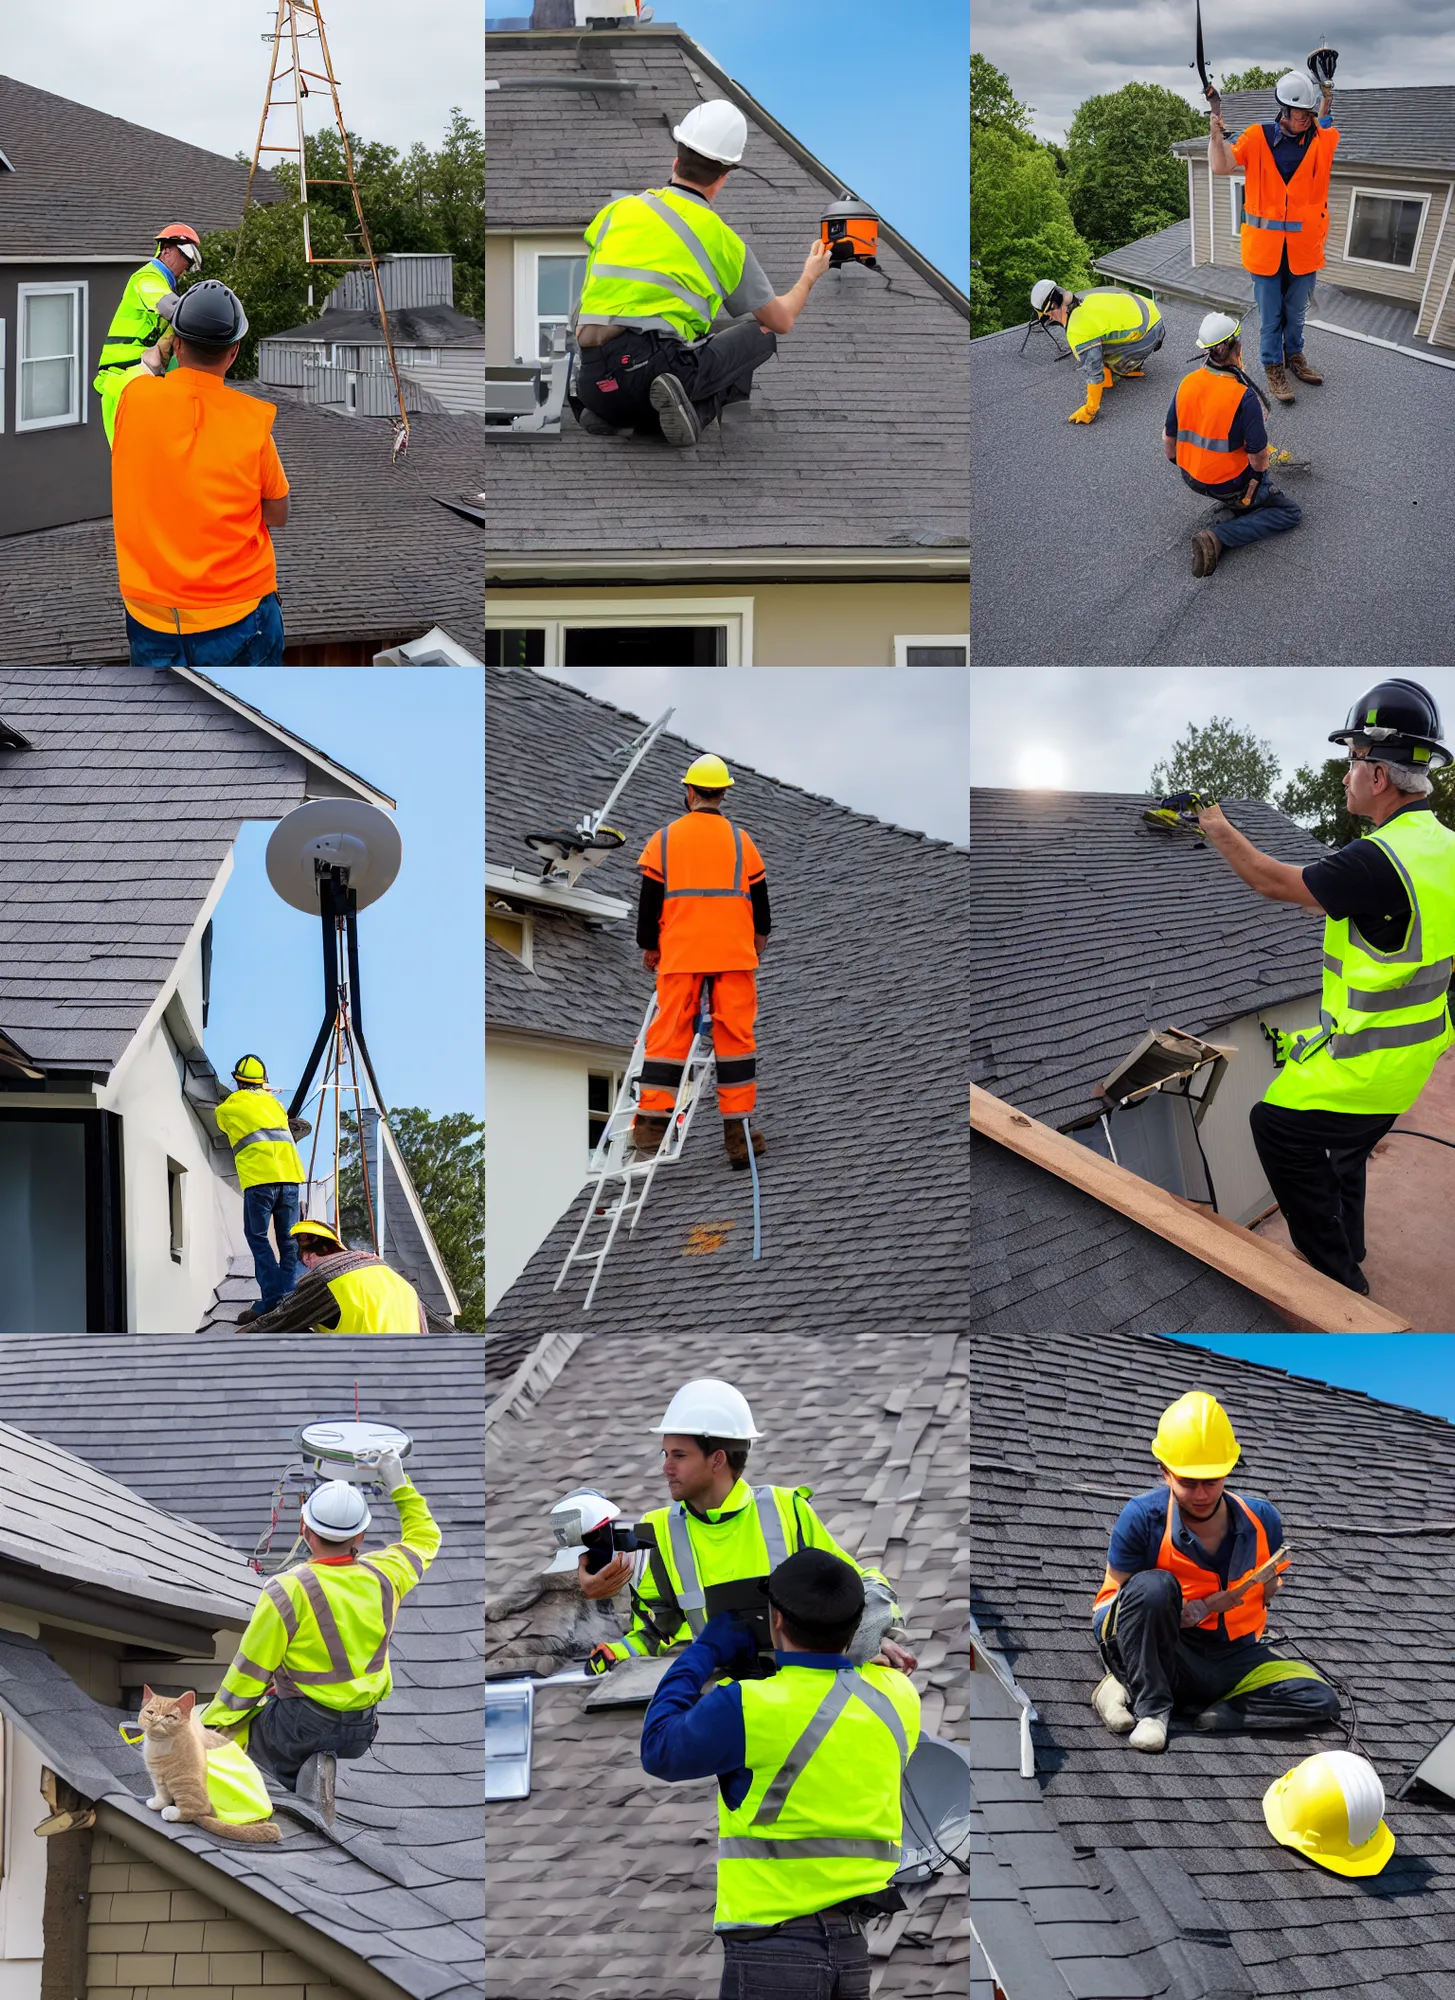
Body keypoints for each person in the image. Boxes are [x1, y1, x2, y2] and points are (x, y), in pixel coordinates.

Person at [1192, 680, 1455, 1294]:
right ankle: (1353, 1241)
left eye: (1353, 760)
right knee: (1346, 1150)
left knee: (1276, 1127)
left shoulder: (1376, 862)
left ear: (1380, 778)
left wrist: (1214, 824)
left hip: (1370, 1066)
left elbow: (1271, 881)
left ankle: (1338, 1278)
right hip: (1417, 1055)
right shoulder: (1439, 846)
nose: (1344, 774)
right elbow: (1373, 913)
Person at [641, 1548, 920, 2000]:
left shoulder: (748, 1706)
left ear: (775, 1620)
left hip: (772, 1949)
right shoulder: (899, 1696)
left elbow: (658, 1748)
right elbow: (836, 1677)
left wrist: (706, 1650)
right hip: (851, 1950)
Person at [580, 1377, 917, 1677]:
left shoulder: (788, 1511)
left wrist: (872, 1637)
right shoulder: (658, 1532)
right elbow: (660, 1629)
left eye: (679, 1455)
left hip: (801, 1690)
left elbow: (858, 1586)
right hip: (723, 1705)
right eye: (664, 1454)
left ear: (717, 1459)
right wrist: (617, 1652)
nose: (666, 1467)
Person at [570, 98, 832, 448]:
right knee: (762, 332)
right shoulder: (721, 239)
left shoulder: (615, 212)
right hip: (653, 371)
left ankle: (606, 410)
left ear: (676, 161)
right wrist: (809, 275)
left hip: (592, 374)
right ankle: (694, 411)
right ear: (723, 178)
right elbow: (781, 320)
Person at [1092, 1392, 1340, 1755]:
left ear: (1228, 1470)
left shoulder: (1262, 1521)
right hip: (1162, 1647)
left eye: (1211, 1480)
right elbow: (1113, 1607)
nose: (1201, 1493)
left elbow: (1266, 1596)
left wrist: (1262, 1584)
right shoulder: (1142, 1518)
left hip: (1231, 1659)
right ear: (1165, 1471)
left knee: (1318, 1696)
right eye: (1188, 1482)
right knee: (1154, 1587)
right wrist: (1175, 1614)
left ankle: (1210, 1710)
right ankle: (1153, 1710)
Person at [202, 1443, 440, 1789]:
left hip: (301, 1727)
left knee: (244, 1761)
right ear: (361, 1534)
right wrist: (399, 1484)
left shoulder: (287, 1590)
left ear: (304, 1528)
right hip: (361, 1730)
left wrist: (211, 1727)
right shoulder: (387, 1574)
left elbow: (249, 1673)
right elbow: (426, 1536)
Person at [111, 280, 290, 666]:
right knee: (249, 722)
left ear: (177, 343)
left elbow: (143, 369)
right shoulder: (250, 422)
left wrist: (157, 355)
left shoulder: (133, 399)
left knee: (167, 725)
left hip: (151, 617)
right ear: (234, 351)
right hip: (238, 614)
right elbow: (278, 513)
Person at [633, 754, 771, 1169]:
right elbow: (762, 910)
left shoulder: (665, 840)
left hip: (681, 953)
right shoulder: (742, 842)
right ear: (723, 793)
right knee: (735, 1041)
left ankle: (649, 1130)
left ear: (689, 791)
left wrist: (650, 946)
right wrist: (756, 944)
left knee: (669, 1035)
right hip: (732, 953)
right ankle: (738, 1137)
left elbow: (648, 904)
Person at [1207, 68, 1338, 404]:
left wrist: (1325, 95)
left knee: (1296, 312)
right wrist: (1215, 135)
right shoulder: (1257, 136)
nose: (1305, 119)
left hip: (1305, 249)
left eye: (1308, 114)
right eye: (1299, 113)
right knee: (1271, 316)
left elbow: (1326, 118)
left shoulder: (1321, 140)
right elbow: (1222, 167)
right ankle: (1272, 367)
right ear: (1283, 109)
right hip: (1265, 250)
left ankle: (1295, 357)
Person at [1165, 312, 1301, 577]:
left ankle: (1234, 508)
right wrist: (1258, 482)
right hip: (1229, 483)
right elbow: (1258, 458)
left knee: (1242, 491)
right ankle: (1219, 536)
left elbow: (1168, 442)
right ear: (1234, 346)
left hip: (1191, 477)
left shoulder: (1187, 383)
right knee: (1290, 513)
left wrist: (1189, 465)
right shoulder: (1242, 396)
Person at [214, 1055, 307, 1323]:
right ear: (264, 1082)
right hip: (289, 1177)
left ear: (237, 1081)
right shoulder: (276, 1105)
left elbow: (222, 1124)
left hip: (260, 1181)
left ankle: (271, 1299)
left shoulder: (229, 1107)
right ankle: (290, 1296)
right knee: (289, 1241)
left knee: (258, 1238)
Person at [93, 224, 201, 445]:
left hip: (143, 376)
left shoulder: (165, 285)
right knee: (130, 456)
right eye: (186, 259)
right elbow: (171, 308)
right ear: (167, 250)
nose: (187, 267)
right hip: (121, 377)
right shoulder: (147, 278)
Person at [244, 1217, 430, 1333]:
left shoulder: (329, 1276)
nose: (309, 1265)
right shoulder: (397, 1280)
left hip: (361, 1379)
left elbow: (279, 1321)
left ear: (323, 1251)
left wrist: (232, 1340)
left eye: (308, 1258)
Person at [1028, 280, 1165, 423]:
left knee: (1091, 353)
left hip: (1148, 335)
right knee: (1102, 339)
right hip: (1153, 315)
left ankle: (1127, 365)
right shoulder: (1088, 300)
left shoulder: (1078, 331)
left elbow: (1093, 369)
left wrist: (1089, 410)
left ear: (1050, 313)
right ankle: (1130, 362)